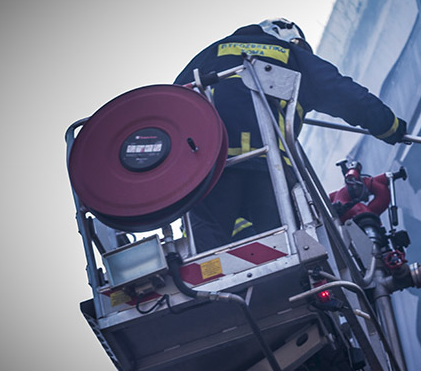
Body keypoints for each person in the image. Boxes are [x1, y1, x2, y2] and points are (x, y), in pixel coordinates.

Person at [175, 18, 408, 252]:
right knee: (289, 251)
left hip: (211, 170)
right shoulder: (291, 56)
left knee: (205, 255)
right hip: (270, 171)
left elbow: (169, 107)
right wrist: (390, 126)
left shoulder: (211, 54)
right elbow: (347, 95)